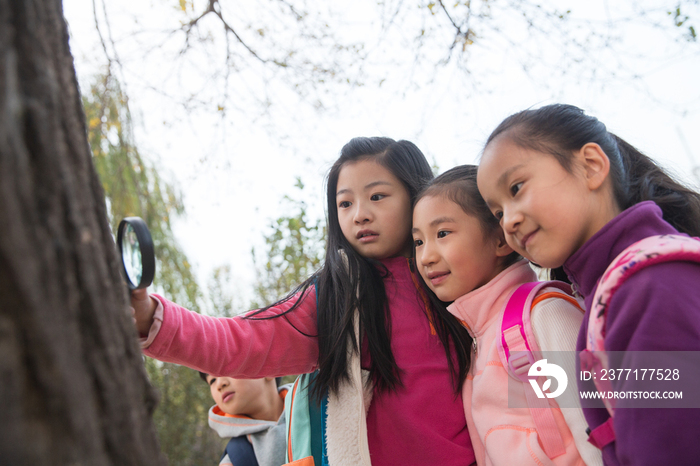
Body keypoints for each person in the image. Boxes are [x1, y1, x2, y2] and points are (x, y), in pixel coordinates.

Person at [132, 137, 476, 465]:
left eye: (378, 196)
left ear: (415, 195)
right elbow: (244, 340)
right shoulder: (337, 301)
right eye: (345, 203)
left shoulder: (470, 279)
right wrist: (152, 320)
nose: (359, 214)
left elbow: (524, 374)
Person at [476, 103, 700, 466]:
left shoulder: (649, 288)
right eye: (498, 212)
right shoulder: (615, 289)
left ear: (591, 166)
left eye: (516, 188)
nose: (509, 221)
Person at [412, 165, 602, 466]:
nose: (426, 257)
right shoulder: (477, 337)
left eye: (443, 233)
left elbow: (594, 431)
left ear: (500, 240)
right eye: (419, 241)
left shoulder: (544, 313)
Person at [200, 372, 290, 466]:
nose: (219, 384)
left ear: (269, 369)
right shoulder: (233, 460)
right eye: (212, 380)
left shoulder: (305, 405)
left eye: (228, 369)